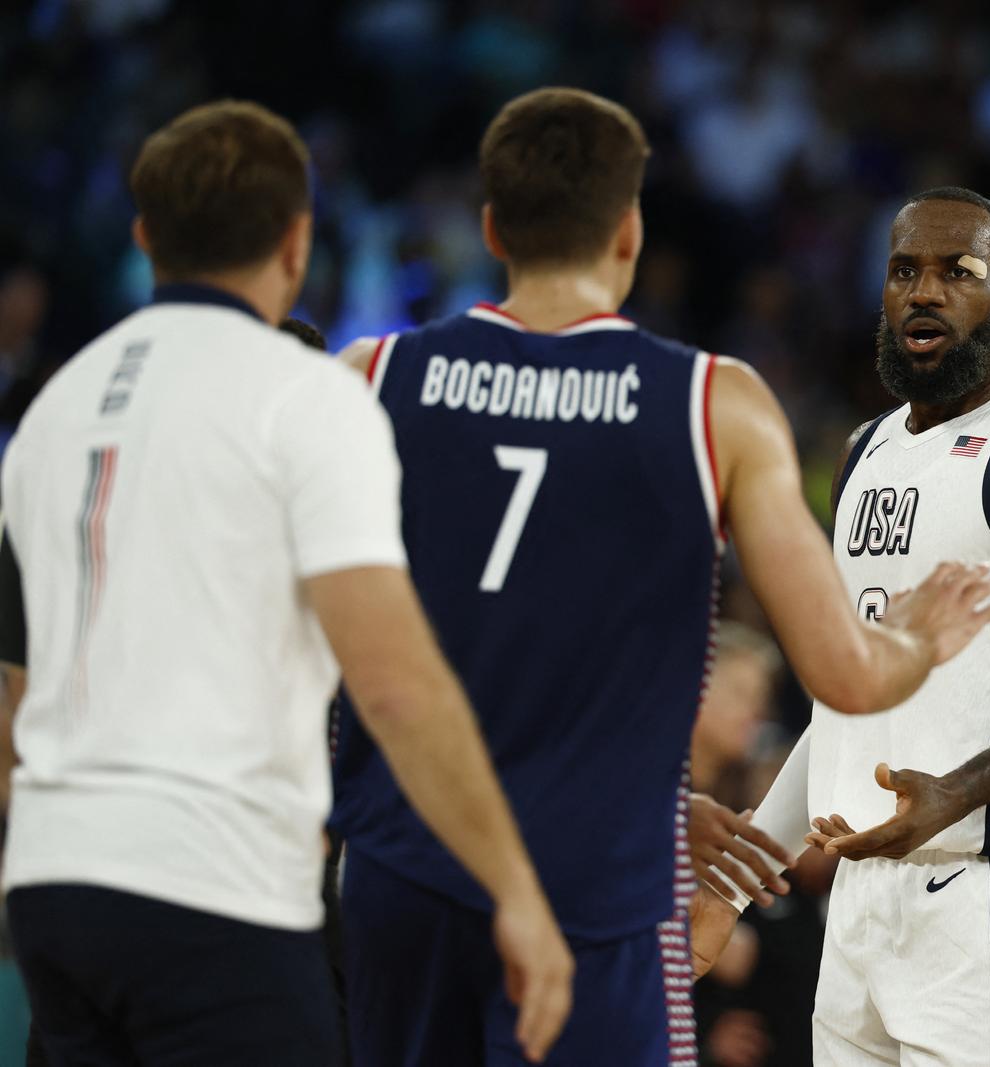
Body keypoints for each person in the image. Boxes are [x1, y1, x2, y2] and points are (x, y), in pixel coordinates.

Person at [331, 89, 990, 1067]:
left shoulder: (369, 376)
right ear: (628, 230)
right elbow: (849, 675)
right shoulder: (711, 403)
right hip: (594, 884)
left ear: (491, 227)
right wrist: (919, 631)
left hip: (402, 874)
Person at [0, 100, 572, 1066]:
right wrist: (515, 886)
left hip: (53, 890)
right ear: (296, 243)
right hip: (209, 885)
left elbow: (12, 691)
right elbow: (394, 683)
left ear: (146, 237)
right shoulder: (302, 397)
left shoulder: (55, 405)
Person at [695, 186, 990, 1065]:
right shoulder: (865, 449)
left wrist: (964, 787)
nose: (924, 292)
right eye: (905, 271)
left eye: (957, 272)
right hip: (862, 905)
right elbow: (844, 711)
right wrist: (734, 888)